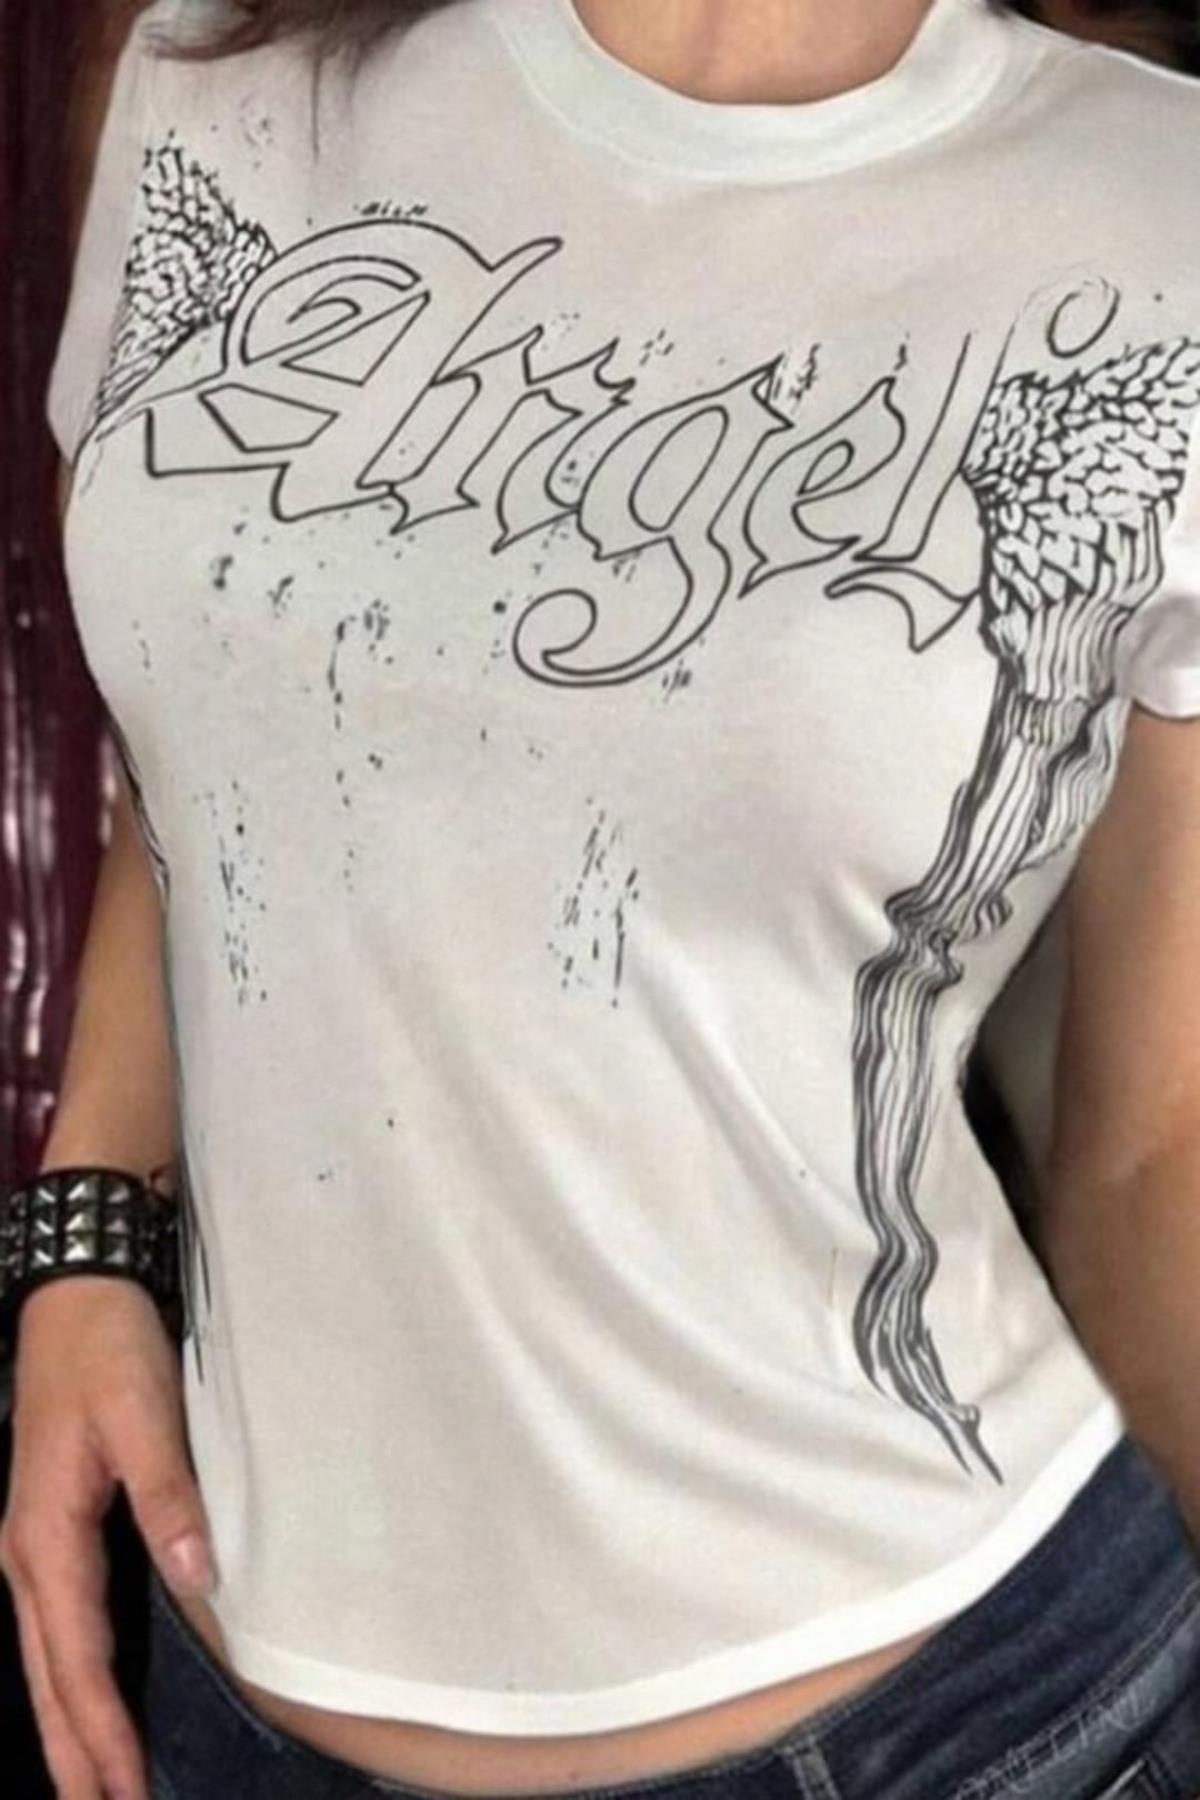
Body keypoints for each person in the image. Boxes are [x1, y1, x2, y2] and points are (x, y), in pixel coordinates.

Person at [5, 0, 1200, 1795]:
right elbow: (211, 765)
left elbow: (1158, 1142)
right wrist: (90, 1231)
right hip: (232, 1698)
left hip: (938, 1715)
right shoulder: (223, 77)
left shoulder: (1159, 211)